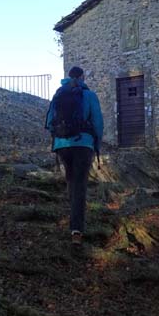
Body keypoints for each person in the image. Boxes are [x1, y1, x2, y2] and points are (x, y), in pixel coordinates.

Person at [45, 66, 104, 245]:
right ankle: (76, 230)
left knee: (71, 180)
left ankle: (73, 216)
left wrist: (59, 138)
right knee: (80, 184)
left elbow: (49, 122)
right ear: (83, 77)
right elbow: (98, 123)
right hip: (83, 144)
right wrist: (96, 145)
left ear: (68, 77)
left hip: (63, 145)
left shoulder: (58, 95)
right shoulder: (89, 95)